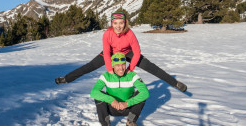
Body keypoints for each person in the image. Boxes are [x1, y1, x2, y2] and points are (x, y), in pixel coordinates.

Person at [55, 11, 187, 92]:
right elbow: (106, 53)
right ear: (112, 23)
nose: (118, 26)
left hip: (127, 52)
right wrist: (109, 68)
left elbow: (137, 51)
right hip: (111, 53)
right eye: (115, 23)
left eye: (121, 23)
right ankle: (66, 79)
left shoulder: (129, 34)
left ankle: (175, 83)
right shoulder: (107, 34)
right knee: (89, 67)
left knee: (151, 67)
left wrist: (131, 68)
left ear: (125, 23)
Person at [90, 52, 149, 126]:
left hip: (128, 107)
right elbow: (93, 92)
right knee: (99, 95)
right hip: (112, 107)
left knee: (141, 94)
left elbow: (145, 93)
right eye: (117, 65)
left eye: (123, 65)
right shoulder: (106, 76)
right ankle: (105, 124)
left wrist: (127, 103)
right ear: (113, 66)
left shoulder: (132, 75)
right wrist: (111, 100)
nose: (121, 68)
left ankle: (131, 121)